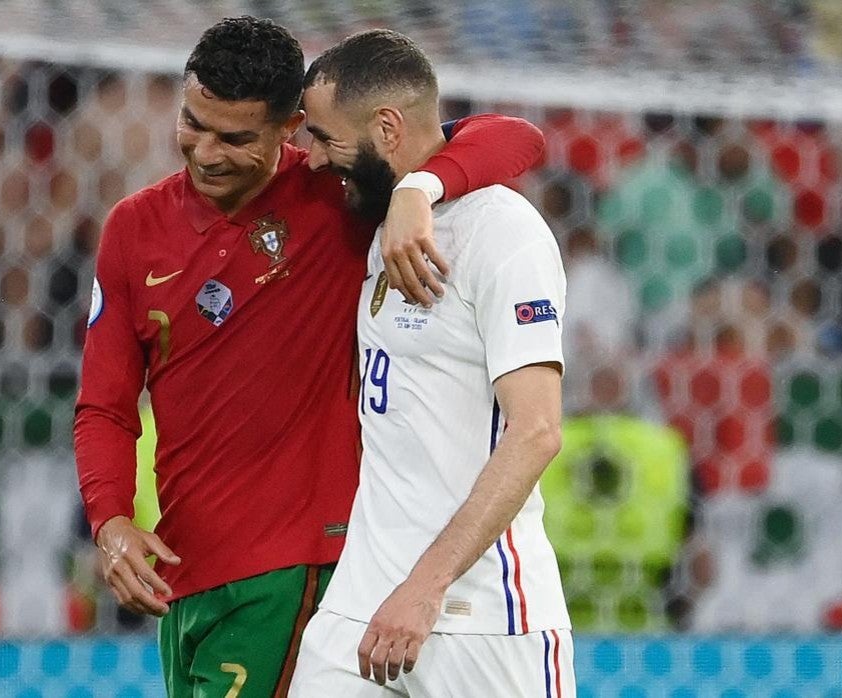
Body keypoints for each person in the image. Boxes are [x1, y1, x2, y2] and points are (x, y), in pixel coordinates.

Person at [73, 16, 546, 698]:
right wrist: (112, 518)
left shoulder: (334, 197)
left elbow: (516, 138)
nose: (204, 153)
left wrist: (421, 189)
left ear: (289, 127)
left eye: (235, 138)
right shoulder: (133, 229)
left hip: (298, 569)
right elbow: (104, 404)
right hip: (188, 571)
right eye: (192, 124)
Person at [290, 30, 574, 697]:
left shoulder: (505, 234)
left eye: (326, 139)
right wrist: (417, 189)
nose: (311, 160)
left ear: (386, 128)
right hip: (361, 606)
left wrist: (426, 586)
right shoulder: (385, 225)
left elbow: (537, 433)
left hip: (482, 619)